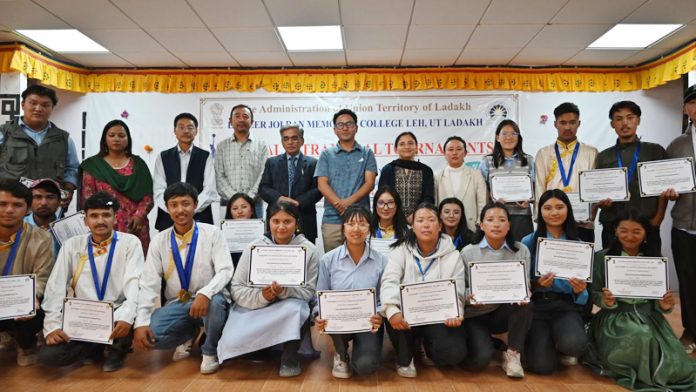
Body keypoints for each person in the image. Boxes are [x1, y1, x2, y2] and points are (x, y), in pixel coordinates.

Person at [583, 208, 696, 391]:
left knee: (673, 360)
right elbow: (594, 292)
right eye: (623, 231)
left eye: (636, 231)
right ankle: (645, 375)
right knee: (640, 335)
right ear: (615, 231)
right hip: (615, 318)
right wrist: (605, 300)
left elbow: (660, 302)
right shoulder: (603, 257)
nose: (629, 236)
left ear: (645, 234)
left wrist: (665, 305)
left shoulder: (654, 261)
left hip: (650, 317)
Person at [133, 182, 233, 375]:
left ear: (195, 204)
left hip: (210, 301)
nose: (180, 210)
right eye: (174, 204)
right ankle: (188, 333)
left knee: (215, 303)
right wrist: (141, 322)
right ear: (167, 208)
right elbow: (149, 284)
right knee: (151, 337)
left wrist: (206, 293)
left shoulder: (212, 233)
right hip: (178, 303)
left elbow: (225, 270)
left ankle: (210, 351)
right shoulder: (159, 240)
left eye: (185, 203)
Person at [38, 192, 144, 372]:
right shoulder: (71, 245)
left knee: (131, 313)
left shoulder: (130, 243)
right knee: (49, 356)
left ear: (115, 218)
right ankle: (93, 346)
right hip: (83, 315)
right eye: (94, 216)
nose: (100, 221)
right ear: (85, 221)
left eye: (106, 215)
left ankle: (118, 348)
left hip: (116, 311)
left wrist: (127, 317)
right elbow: (55, 287)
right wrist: (52, 327)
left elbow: (135, 284)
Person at [219, 201, 321, 377]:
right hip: (255, 307)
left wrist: (284, 292)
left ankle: (290, 357)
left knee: (297, 309)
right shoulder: (254, 247)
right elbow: (237, 288)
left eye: (287, 221)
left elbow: (308, 293)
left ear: (296, 223)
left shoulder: (309, 250)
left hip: (287, 306)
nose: (281, 227)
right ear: (268, 222)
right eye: (276, 221)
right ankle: (263, 349)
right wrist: (262, 296)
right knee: (230, 342)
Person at [380, 202, 467, 378]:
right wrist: (392, 311)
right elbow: (389, 282)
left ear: (440, 225)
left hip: (437, 317)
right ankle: (405, 356)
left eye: (431, 220)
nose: (426, 225)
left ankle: (426, 345)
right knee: (392, 314)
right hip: (406, 317)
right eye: (420, 220)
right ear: (412, 226)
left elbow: (458, 290)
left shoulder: (453, 255)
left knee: (453, 355)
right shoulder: (400, 251)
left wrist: (457, 311)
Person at [461, 202, 533, 378]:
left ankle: (513, 354)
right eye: (490, 219)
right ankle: (494, 340)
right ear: (481, 224)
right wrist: (468, 297)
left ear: (509, 225)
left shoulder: (521, 250)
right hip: (476, 315)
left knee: (526, 304)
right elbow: (460, 288)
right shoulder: (468, 252)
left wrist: (526, 292)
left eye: (502, 220)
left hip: (502, 312)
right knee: (480, 361)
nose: (496, 224)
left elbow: (526, 284)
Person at [314, 205, 387, 378]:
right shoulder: (328, 260)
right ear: (343, 228)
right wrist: (318, 315)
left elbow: (384, 298)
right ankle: (341, 353)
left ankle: (361, 353)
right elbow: (320, 296)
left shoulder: (382, 261)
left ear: (369, 229)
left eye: (362, 224)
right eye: (350, 223)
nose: (356, 229)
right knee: (329, 315)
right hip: (338, 323)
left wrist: (379, 315)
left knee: (365, 366)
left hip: (368, 323)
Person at [521, 189, 588, 374]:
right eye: (548, 208)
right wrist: (537, 284)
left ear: (568, 210)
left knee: (574, 344)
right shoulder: (528, 242)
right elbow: (520, 283)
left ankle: (560, 342)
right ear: (540, 212)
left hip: (565, 308)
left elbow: (583, 294)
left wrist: (580, 290)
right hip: (537, 309)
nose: (554, 213)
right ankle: (541, 344)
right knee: (542, 367)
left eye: (560, 207)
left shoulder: (579, 244)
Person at [594, 101, 668, 248]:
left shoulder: (655, 151)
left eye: (630, 117)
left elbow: (663, 188)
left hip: (647, 224)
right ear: (612, 124)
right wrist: (601, 203)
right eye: (619, 119)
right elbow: (598, 191)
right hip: (612, 226)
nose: (625, 123)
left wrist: (658, 218)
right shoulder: (603, 156)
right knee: (613, 268)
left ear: (638, 120)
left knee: (646, 269)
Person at [0, 179, 54, 366]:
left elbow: (43, 276)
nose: (9, 210)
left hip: (23, 304)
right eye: (2, 204)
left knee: (36, 310)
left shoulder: (42, 238)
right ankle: (7, 333)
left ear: (28, 209)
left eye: (17, 205)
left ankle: (26, 344)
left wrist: (34, 296)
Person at [79, 120, 153, 254]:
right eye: (111, 135)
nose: (116, 139)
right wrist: (99, 219)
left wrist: (139, 216)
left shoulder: (139, 164)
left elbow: (147, 196)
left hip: (135, 226)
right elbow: (88, 197)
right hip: (104, 225)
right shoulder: (93, 165)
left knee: (136, 265)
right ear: (104, 139)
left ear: (128, 139)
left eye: (121, 135)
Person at [0, 85, 79, 211]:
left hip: (47, 208)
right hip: (11, 207)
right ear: (22, 104)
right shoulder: (4, 133)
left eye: (45, 105)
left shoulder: (64, 139)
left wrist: (68, 190)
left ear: (52, 108)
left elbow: (72, 168)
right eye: (33, 103)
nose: (38, 109)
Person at [534, 102, 599, 243]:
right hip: (552, 222)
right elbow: (539, 187)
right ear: (555, 124)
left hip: (582, 222)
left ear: (579, 123)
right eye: (563, 123)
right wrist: (541, 218)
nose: (568, 127)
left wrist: (591, 214)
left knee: (582, 262)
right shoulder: (544, 153)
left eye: (572, 122)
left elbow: (594, 188)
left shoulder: (591, 152)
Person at [316, 109, 378, 252]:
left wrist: (347, 203)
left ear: (356, 127)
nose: (345, 128)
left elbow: (369, 183)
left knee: (362, 262)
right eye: (340, 125)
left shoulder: (366, 153)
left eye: (349, 124)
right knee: (333, 263)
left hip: (360, 218)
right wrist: (340, 205)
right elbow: (322, 184)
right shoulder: (326, 154)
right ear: (335, 130)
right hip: (332, 219)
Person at [666, 84, 696, 353]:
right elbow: (666, 182)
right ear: (686, 109)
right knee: (687, 281)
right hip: (685, 226)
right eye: (693, 102)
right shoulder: (677, 145)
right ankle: (690, 331)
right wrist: (669, 192)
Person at [258, 124, 322, 243]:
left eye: (294, 138)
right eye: (286, 138)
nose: (290, 142)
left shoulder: (313, 163)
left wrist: (298, 202)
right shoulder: (272, 162)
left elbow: (318, 189)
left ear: (301, 141)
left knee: (305, 257)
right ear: (282, 142)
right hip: (277, 219)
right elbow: (263, 188)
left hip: (305, 218)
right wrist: (279, 198)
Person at [153, 113, 217, 230]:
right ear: (175, 131)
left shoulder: (205, 156)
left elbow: (210, 190)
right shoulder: (163, 157)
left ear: (196, 131)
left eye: (190, 127)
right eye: (181, 127)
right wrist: (174, 209)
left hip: (199, 217)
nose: (186, 131)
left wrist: (190, 209)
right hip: (168, 218)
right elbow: (158, 191)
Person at [479, 120, 535, 241]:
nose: (509, 137)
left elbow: (536, 187)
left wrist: (529, 199)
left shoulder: (529, 160)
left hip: (522, 216)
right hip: (496, 218)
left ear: (519, 137)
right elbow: (481, 189)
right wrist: (493, 200)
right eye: (504, 134)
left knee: (521, 253)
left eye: (513, 133)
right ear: (497, 137)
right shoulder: (487, 162)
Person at [215, 104, 268, 218]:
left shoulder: (261, 145)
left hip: (255, 203)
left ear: (252, 121)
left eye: (245, 116)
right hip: (229, 203)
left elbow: (263, 174)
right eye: (237, 116)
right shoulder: (221, 146)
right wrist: (237, 200)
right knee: (227, 236)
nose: (241, 119)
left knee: (256, 236)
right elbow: (219, 176)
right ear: (230, 121)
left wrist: (248, 199)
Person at [378, 131, 434, 223]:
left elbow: (428, 198)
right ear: (396, 149)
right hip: (392, 220)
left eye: (410, 143)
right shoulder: (388, 169)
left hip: (420, 220)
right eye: (402, 144)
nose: (407, 147)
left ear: (416, 148)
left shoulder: (426, 171)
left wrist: (416, 215)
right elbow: (382, 197)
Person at [434, 136, 486, 233]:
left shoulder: (476, 175)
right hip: (444, 229)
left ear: (465, 153)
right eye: (450, 149)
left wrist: (480, 224)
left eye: (459, 149)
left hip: (470, 228)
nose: (454, 153)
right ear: (444, 153)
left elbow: (482, 203)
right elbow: (435, 203)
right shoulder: (437, 176)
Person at [24, 178, 62, 256]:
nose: (44, 203)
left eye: (50, 197)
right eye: (38, 197)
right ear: (29, 201)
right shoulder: (18, 227)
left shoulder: (69, 229)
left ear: (59, 202)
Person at [224, 192, 258, 267]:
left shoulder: (262, 234)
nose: (240, 211)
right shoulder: (222, 236)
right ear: (230, 212)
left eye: (244, 207)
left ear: (252, 210)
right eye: (235, 208)